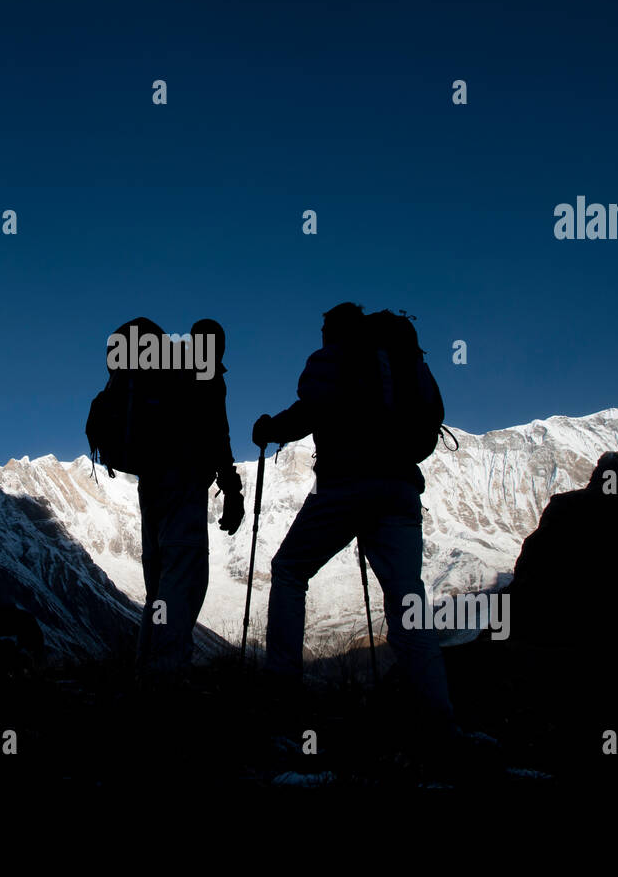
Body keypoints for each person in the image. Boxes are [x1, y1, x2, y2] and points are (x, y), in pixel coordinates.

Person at [251, 302, 454, 731]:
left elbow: (310, 412)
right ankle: (438, 718)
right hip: (399, 489)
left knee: (289, 570)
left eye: (325, 326)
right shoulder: (402, 362)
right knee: (407, 601)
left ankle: (281, 689)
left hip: (344, 485)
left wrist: (270, 428)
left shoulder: (333, 358)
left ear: (334, 330)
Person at [131, 318, 243, 679]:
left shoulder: (162, 371)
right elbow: (217, 434)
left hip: (151, 487)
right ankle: (168, 671)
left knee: (159, 585)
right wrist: (232, 490)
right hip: (183, 485)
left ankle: (145, 670)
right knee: (184, 577)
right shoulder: (204, 375)